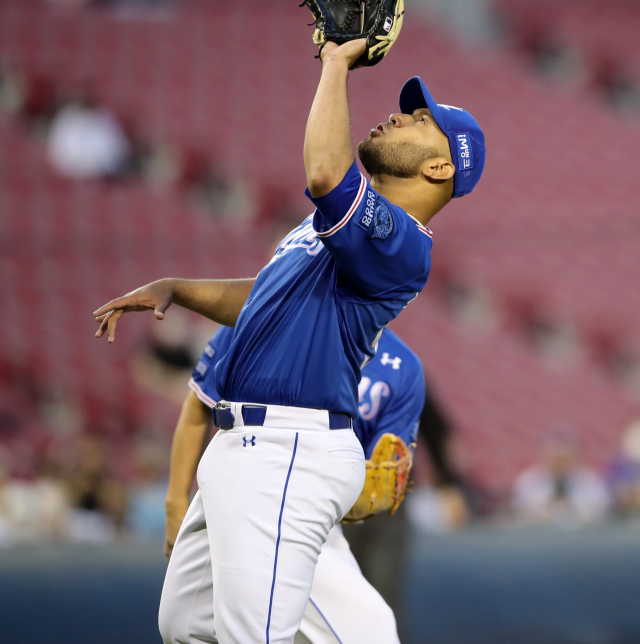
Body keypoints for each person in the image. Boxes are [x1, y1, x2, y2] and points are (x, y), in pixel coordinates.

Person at [94, 36, 485, 644]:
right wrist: (178, 288)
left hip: (288, 447)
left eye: (421, 120)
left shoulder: (402, 242)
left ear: (440, 167)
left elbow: (326, 172)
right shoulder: (335, 230)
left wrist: (336, 64)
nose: (400, 114)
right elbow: (266, 296)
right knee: (188, 627)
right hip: (244, 445)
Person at [161, 325, 424, 644]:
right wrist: (175, 502)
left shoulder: (403, 367)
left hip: (310, 504)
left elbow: (378, 474)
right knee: (370, 632)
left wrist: (363, 495)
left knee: (186, 625)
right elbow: (200, 405)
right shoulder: (268, 308)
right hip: (251, 467)